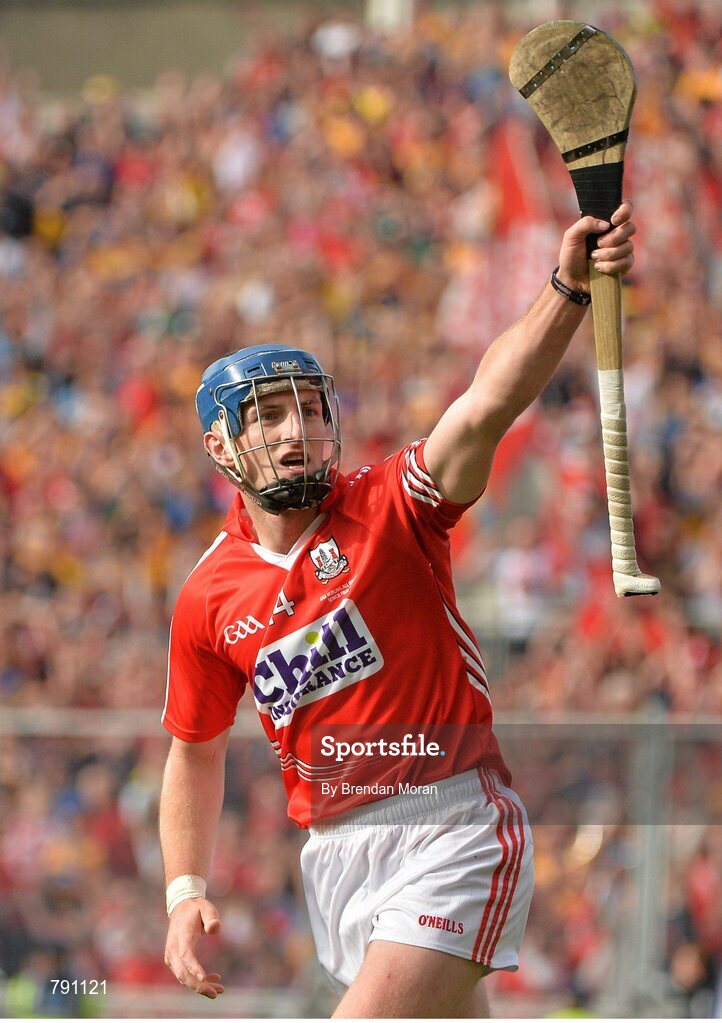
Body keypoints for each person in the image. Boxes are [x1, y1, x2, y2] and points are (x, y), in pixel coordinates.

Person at [159, 201, 636, 1017]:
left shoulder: (394, 505)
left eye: (308, 408)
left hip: (453, 829)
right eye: (269, 415)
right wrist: (183, 889)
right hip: (338, 856)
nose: (297, 429)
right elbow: (194, 751)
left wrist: (568, 286)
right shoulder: (208, 593)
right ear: (219, 449)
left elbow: (486, 403)